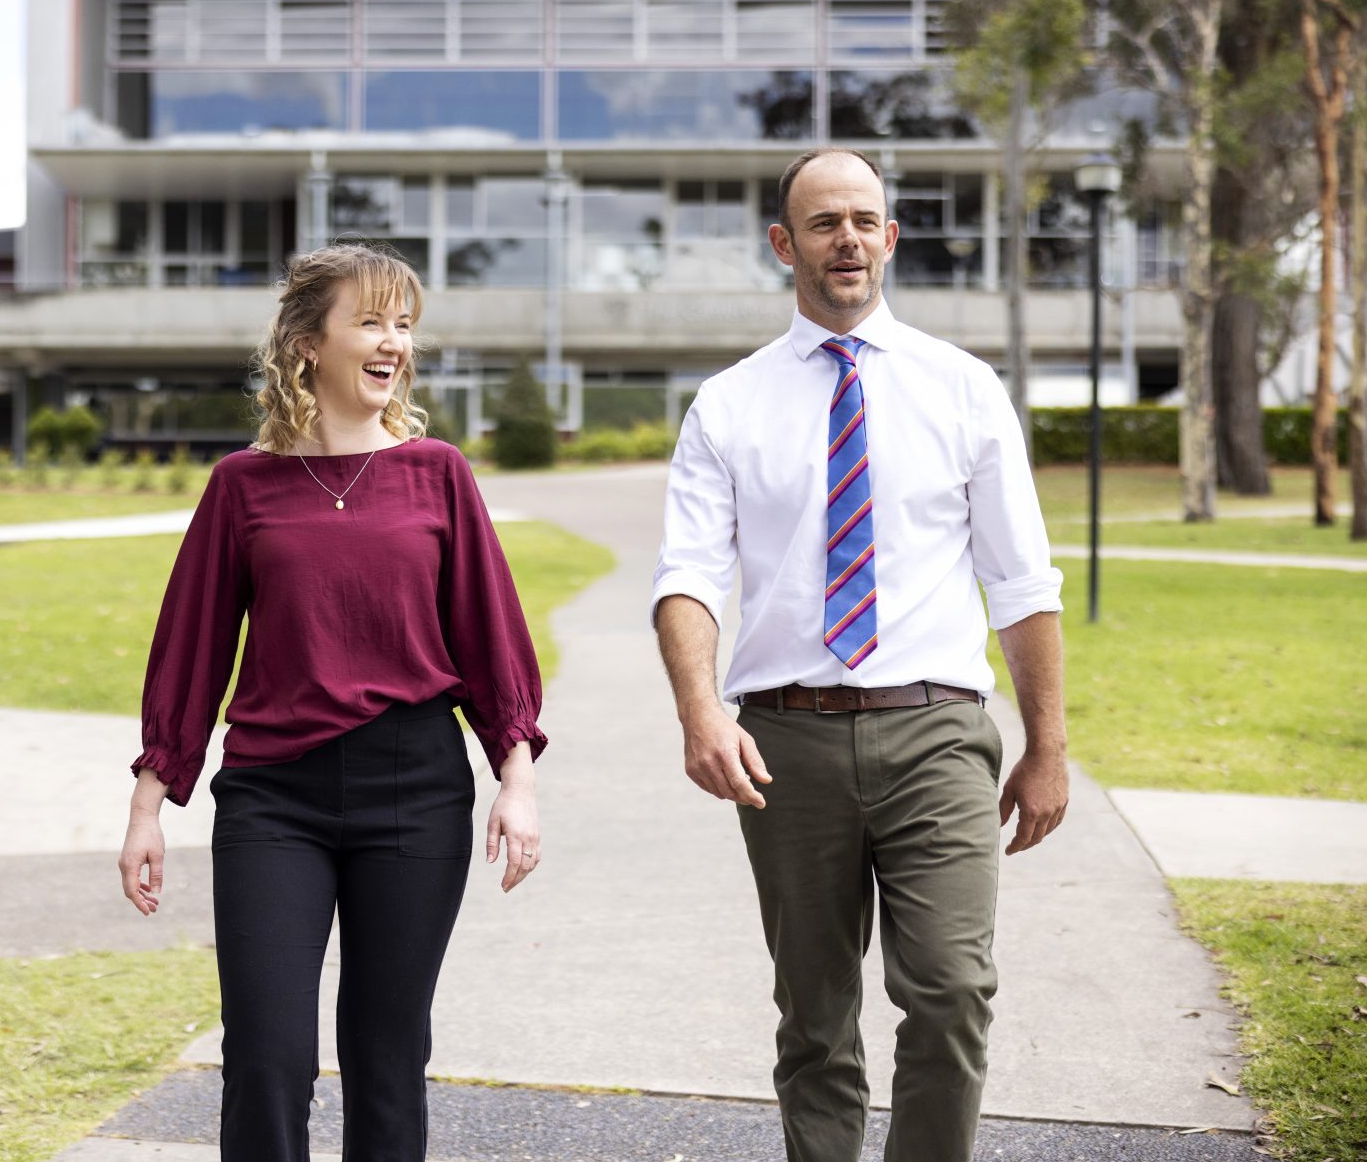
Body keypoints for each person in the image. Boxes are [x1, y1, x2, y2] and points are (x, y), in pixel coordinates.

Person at [651, 147, 1069, 1162]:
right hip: (785, 746)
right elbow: (690, 579)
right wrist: (701, 713)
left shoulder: (963, 391)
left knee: (953, 991)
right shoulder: (729, 406)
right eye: (824, 222)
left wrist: (1048, 746)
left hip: (936, 733)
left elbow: (1022, 585)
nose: (849, 239)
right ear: (784, 244)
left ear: (889, 236)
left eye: (866, 220)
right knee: (815, 1019)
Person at [118, 243, 547, 1162]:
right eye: (371, 320)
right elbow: (192, 649)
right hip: (276, 796)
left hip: (417, 789)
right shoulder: (243, 485)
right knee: (267, 1056)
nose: (392, 341)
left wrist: (515, 778)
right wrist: (149, 803)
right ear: (309, 343)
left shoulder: (438, 474)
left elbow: (489, 636)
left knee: (388, 1059)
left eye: (404, 324)